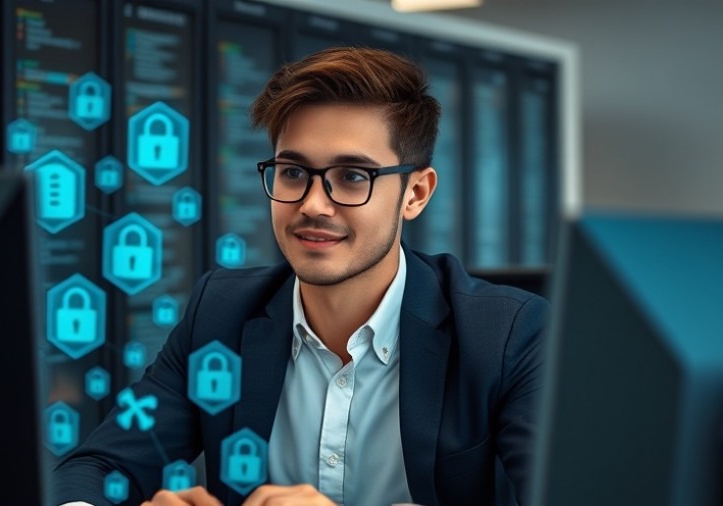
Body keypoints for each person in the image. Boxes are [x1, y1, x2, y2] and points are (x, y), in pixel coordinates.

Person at [53, 46, 547, 506]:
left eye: (352, 177)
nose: (312, 204)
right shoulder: (219, 315)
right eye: (292, 172)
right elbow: (100, 465)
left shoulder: (507, 334)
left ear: (415, 193)